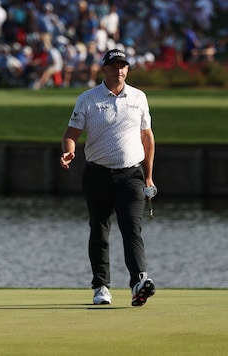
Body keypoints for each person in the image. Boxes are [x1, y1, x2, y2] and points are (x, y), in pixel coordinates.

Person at [59, 48, 157, 307]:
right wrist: (69, 152)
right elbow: (71, 134)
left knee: (131, 229)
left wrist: (148, 177)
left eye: (123, 65)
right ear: (105, 69)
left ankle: (139, 282)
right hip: (97, 174)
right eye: (114, 66)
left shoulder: (139, 97)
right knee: (99, 230)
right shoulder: (88, 99)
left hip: (131, 175)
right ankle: (101, 286)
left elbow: (147, 137)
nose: (119, 70)